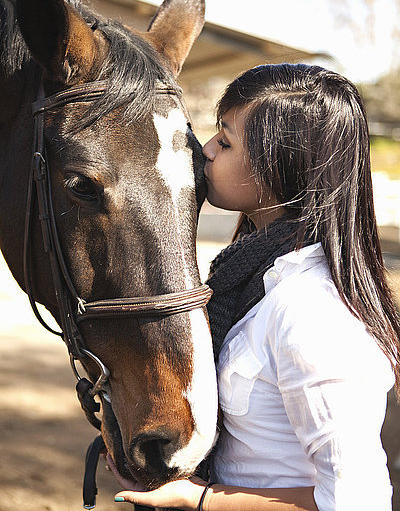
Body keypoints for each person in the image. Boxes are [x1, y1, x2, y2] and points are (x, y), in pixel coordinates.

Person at [108, 64, 400, 510]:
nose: (205, 150)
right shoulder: (251, 277)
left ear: (282, 167)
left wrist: (201, 500)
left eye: (225, 141)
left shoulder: (311, 312)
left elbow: (356, 502)